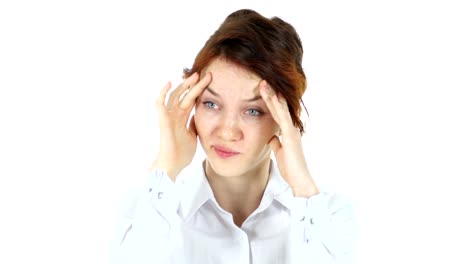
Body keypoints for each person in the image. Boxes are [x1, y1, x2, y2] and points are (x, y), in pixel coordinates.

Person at [110, 9, 357, 264]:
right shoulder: (150, 211)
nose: (227, 131)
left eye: (253, 111)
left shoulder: (330, 215)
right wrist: (166, 165)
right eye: (211, 104)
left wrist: (303, 189)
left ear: (285, 117)